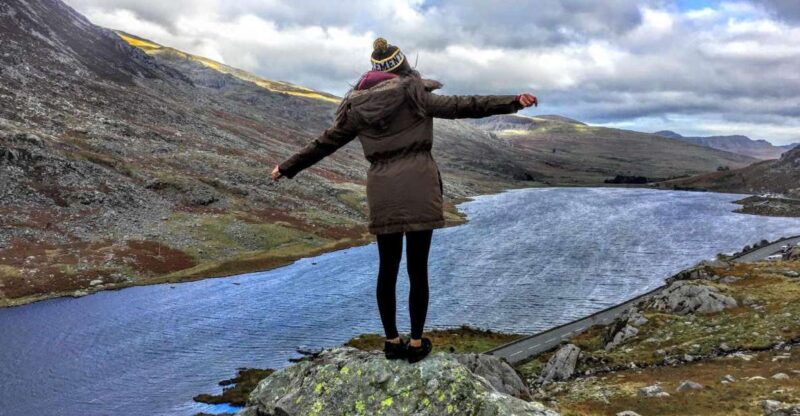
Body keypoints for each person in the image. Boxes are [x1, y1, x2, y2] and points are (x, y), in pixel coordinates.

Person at [271, 38, 537, 363]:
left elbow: (323, 144)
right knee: (417, 270)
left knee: (387, 268)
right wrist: (512, 101)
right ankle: (415, 343)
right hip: (420, 188)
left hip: (383, 192)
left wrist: (286, 167)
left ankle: (391, 340)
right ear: (403, 66)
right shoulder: (416, 96)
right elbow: (465, 105)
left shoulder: (356, 108)